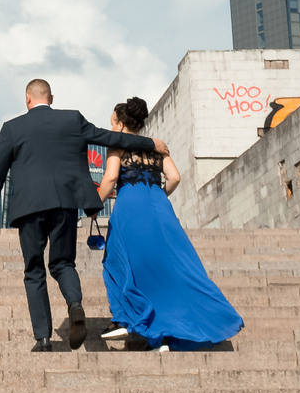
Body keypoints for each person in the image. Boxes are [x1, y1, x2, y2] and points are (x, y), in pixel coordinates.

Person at [0, 78, 168, 351]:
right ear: (52, 98)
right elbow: (109, 136)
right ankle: (75, 305)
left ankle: (43, 339)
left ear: (27, 99)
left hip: (28, 208)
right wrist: (149, 143)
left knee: (34, 271)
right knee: (63, 264)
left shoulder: (12, 128)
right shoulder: (72, 120)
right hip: (64, 204)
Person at [95, 95, 242, 352]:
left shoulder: (116, 145)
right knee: (170, 267)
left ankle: (128, 320)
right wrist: (158, 194)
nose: (111, 128)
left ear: (119, 126)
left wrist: (93, 205)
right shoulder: (157, 147)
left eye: (112, 123)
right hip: (159, 205)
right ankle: (168, 333)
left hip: (131, 205)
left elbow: (110, 178)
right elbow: (174, 177)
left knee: (117, 260)